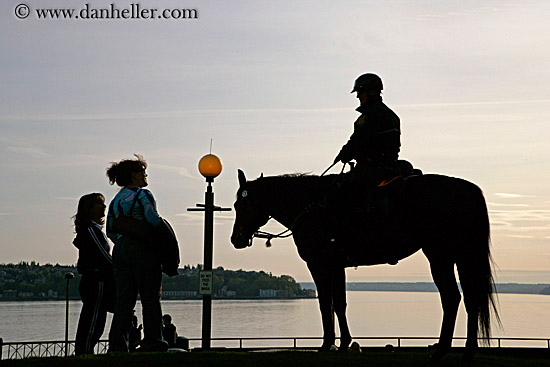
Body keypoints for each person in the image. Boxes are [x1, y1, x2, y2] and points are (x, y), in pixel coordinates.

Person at [106, 154, 168, 353]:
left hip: (120, 250)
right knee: (150, 298)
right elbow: (153, 220)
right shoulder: (143, 195)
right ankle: (153, 341)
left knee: (124, 301)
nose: (145, 174)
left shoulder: (116, 200)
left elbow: (109, 230)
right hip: (143, 250)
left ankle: (117, 344)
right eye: (142, 171)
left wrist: (124, 241)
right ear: (134, 175)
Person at [334, 73, 401, 188]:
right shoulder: (389, 114)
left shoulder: (370, 116)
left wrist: (345, 153)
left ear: (372, 92)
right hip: (387, 164)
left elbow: (360, 139)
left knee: (345, 191)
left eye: (360, 92)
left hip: (371, 167)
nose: (358, 96)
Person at [72, 193, 115, 355]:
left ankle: (86, 351)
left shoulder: (94, 230)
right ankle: (84, 352)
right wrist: (119, 270)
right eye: (99, 204)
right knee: (93, 320)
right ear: (89, 209)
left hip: (98, 279)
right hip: (96, 280)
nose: (104, 207)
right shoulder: (90, 230)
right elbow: (103, 256)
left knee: (97, 320)